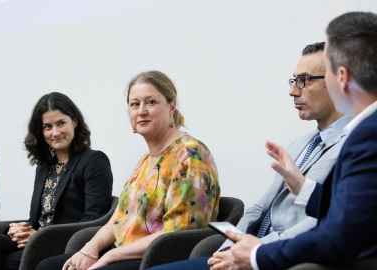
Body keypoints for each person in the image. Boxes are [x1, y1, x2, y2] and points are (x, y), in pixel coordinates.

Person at [148, 41, 351, 270]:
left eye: (304, 81)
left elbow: (320, 223)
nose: (293, 91)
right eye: (294, 81)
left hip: (277, 259)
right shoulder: (298, 145)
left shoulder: (353, 149)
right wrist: (229, 247)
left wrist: (256, 252)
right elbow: (258, 208)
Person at [212, 11, 377, 270]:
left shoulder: (366, 136)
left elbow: (338, 234)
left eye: (329, 71)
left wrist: (258, 254)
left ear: (341, 77)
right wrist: (302, 186)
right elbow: (351, 209)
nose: (293, 91)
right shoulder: (363, 132)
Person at [35, 70, 220, 270]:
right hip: (125, 252)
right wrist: (89, 249)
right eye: (134, 104)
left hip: (158, 258)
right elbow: (118, 219)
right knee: (49, 266)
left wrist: (112, 255)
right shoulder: (145, 161)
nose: (141, 111)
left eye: (151, 102)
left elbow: (178, 232)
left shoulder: (190, 155)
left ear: (171, 106)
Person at [0, 92, 114, 270]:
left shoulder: (94, 161)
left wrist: (40, 235)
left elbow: (94, 220)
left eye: (61, 123)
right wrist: (17, 229)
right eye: (47, 127)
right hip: (36, 240)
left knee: (9, 260)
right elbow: (38, 219)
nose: (55, 132)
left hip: (64, 244)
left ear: (74, 122)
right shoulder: (44, 166)